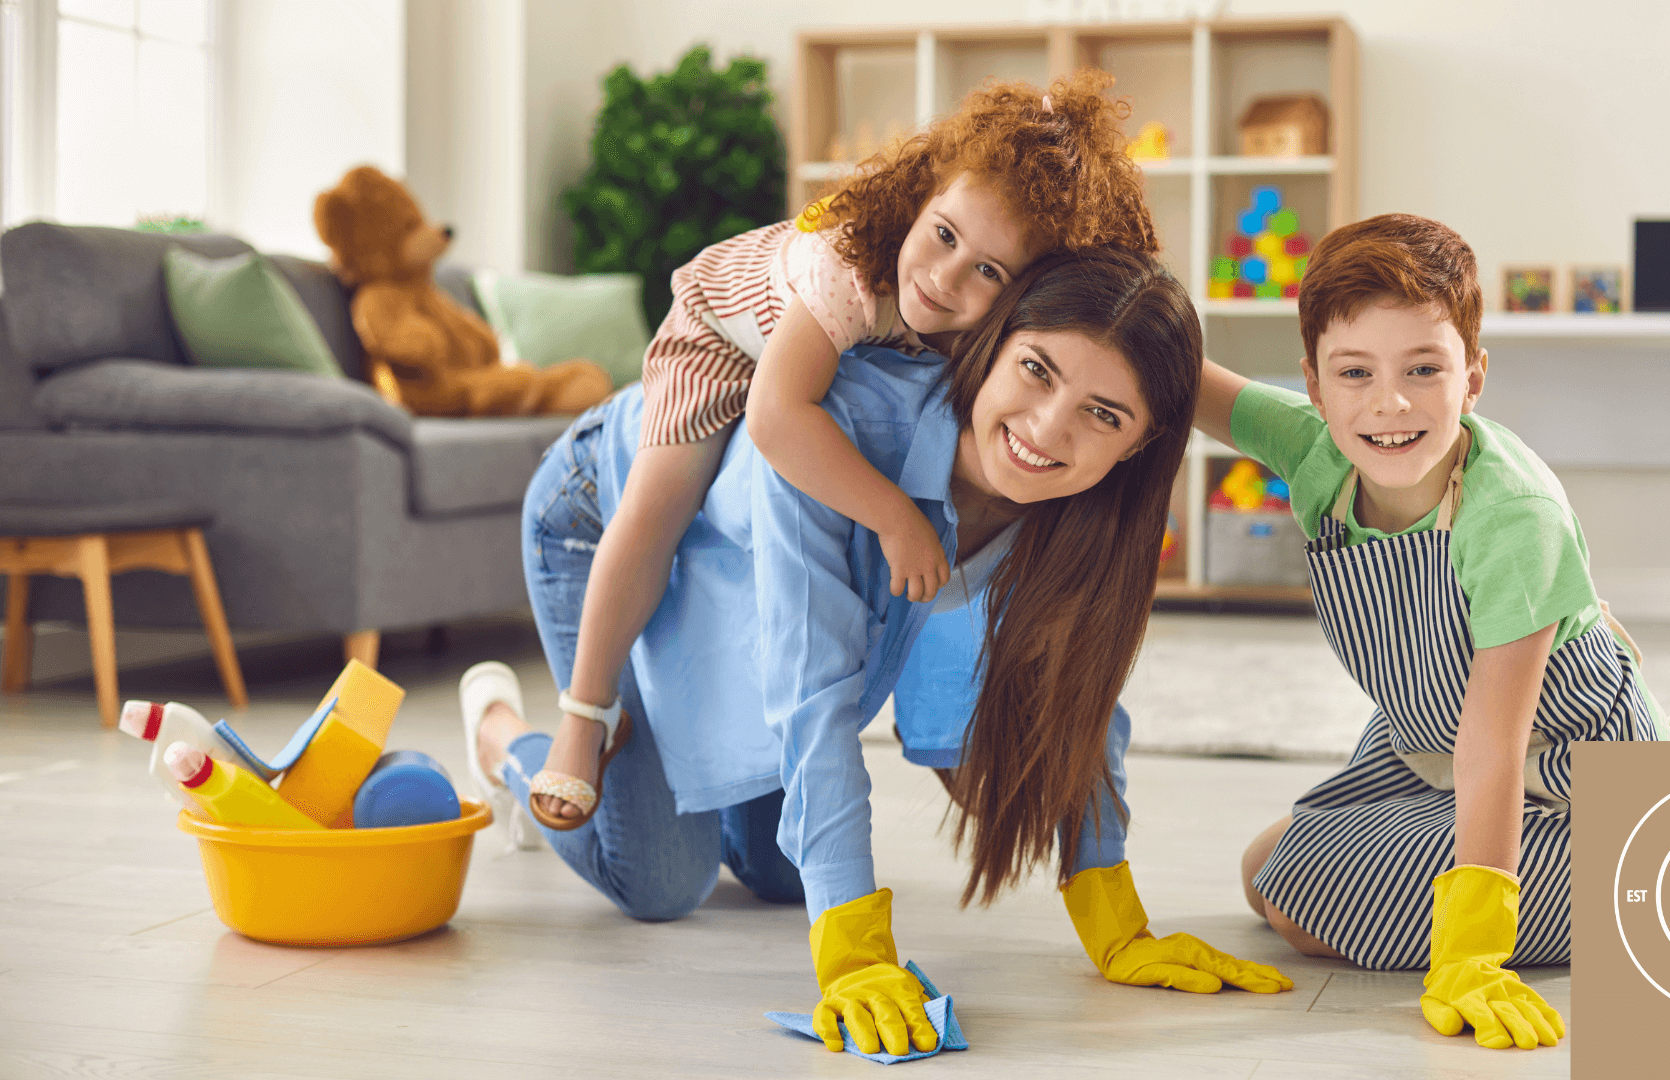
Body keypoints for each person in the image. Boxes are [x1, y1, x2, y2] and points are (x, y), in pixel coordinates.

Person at [461, 249, 1290, 1058]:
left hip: (737, 571)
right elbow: (813, 685)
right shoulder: (840, 432)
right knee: (657, 882)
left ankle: (696, 781)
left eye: (1104, 414)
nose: (1046, 430)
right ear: (992, 344)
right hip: (609, 514)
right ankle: (502, 734)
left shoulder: (1087, 516)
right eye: (1037, 371)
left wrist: (1114, 916)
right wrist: (854, 953)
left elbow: (1082, 700)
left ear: (1138, 445)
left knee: (788, 878)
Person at [524, 71, 1159, 831]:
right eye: (945, 235)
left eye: (989, 271)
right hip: (723, 340)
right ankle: (584, 713)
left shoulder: (991, 333)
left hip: (820, 358)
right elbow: (777, 417)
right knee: (659, 506)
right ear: (923, 196)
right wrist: (894, 517)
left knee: (773, 866)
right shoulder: (851, 268)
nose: (945, 277)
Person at [1200, 214, 1670, 1051]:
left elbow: (1496, 742)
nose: (1391, 403)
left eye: (1425, 368)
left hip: (1566, 775)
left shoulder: (1512, 518)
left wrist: (1473, 949)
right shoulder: (1316, 452)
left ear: (1474, 376)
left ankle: (1639, 888)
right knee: (1262, 870)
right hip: (1428, 743)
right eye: (1356, 373)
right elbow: (1171, 376)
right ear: (1313, 384)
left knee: (1295, 903)